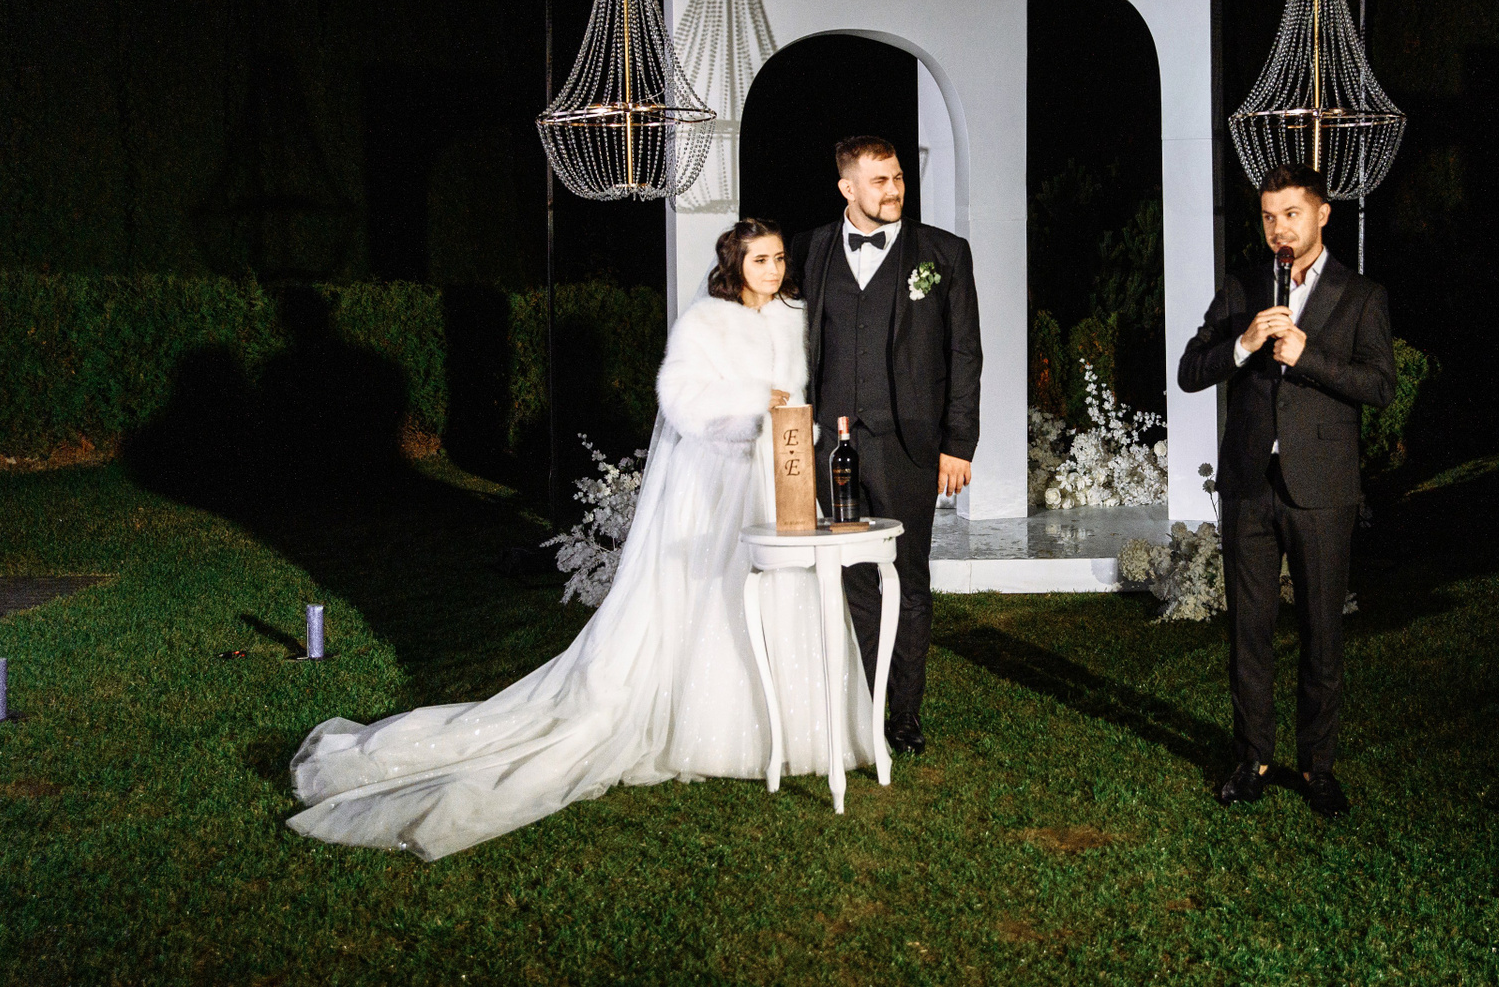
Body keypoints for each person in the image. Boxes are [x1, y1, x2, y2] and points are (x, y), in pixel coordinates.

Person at [286, 220, 875, 861]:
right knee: (715, 593)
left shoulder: (791, 318)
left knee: (787, 587)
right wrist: (752, 404)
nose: (774, 269)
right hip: (718, 478)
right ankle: (719, 732)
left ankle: (795, 728)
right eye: (760, 260)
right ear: (735, 265)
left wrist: (796, 426)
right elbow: (680, 400)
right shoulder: (706, 322)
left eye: (779, 258)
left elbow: (804, 397)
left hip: (779, 474)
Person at [1177, 163, 1395, 819]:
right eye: (1269, 217)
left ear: (1322, 214)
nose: (1279, 229)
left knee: (1322, 633)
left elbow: (1380, 385)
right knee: (1249, 630)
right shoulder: (1244, 286)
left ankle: (1317, 766)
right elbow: (1191, 370)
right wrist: (1243, 343)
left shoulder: (1360, 295)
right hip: (1249, 483)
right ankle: (1253, 759)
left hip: (1321, 486)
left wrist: (1308, 356)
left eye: (1291, 214)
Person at [789, 137, 982, 757]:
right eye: (880, 181)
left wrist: (959, 443)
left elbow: (965, 354)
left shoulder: (944, 254)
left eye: (898, 177)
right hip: (832, 449)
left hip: (908, 446)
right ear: (847, 188)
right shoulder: (811, 249)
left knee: (908, 577)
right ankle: (864, 708)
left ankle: (904, 716)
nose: (895, 190)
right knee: (852, 580)